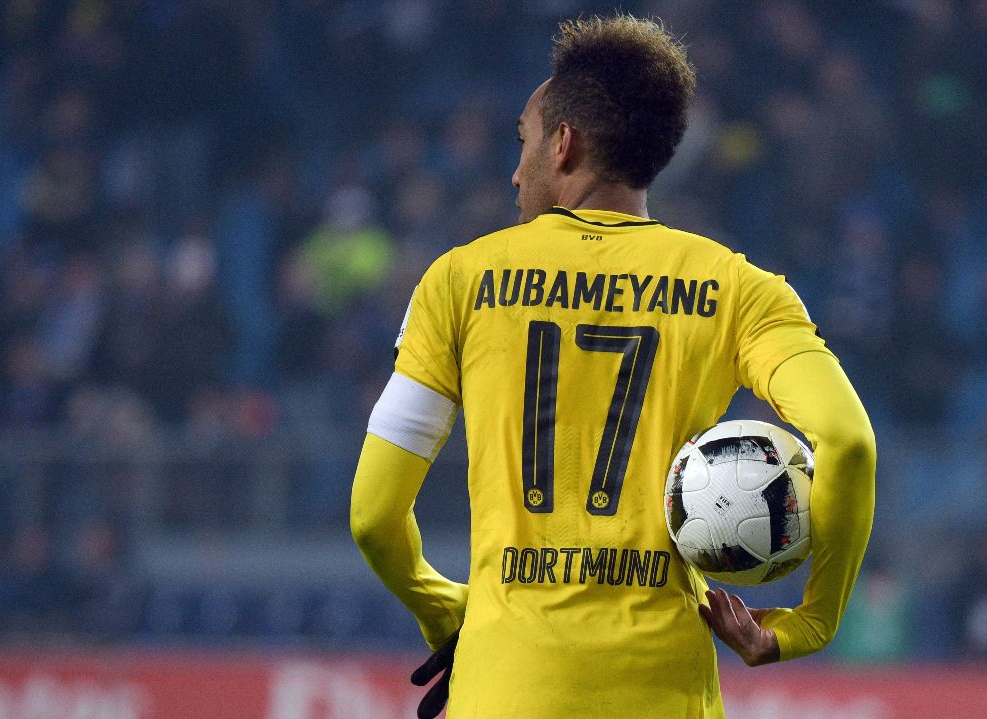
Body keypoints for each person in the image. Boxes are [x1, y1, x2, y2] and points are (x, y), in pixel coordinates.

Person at [351, 13, 875, 719]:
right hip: (663, 692)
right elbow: (847, 440)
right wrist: (814, 619)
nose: (514, 170)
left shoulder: (459, 282)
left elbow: (373, 517)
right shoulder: (739, 288)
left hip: (505, 689)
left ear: (563, 144)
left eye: (524, 141)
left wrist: (442, 607)